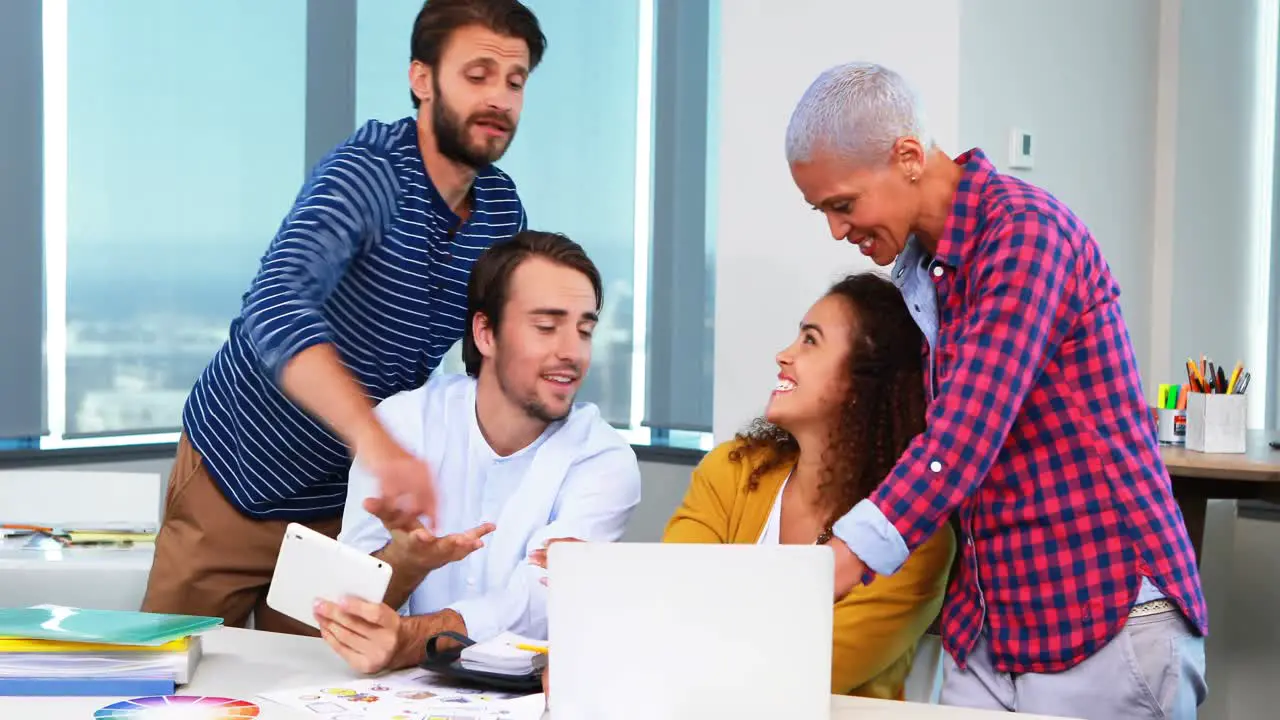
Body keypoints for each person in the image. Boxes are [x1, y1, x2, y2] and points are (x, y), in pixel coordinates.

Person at [784, 62, 1208, 718]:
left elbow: (962, 436)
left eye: (843, 205)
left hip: (1105, 617)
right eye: (823, 212)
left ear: (907, 157)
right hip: (998, 624)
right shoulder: (927, 272)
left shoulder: (1025, 234)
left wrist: (845, 557)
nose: (837, 231)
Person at [141, 0, 546, 635]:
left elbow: (488, 354)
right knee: (166, 680)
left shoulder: (501, 211)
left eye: (515, 80)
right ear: (422, 78)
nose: (499, 96)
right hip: (236, 473)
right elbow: (275, 305)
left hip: (344, 511)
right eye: (478, 74)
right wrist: (382, 446)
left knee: (319, 693)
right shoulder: (367, 174)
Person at [533, 273, 955, 701]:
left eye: (810, 341)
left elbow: (799, 672)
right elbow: (674, 598)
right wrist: (614, 593)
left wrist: (617, 646)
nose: (783, 355)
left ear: (864, 381)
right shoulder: (732, 470)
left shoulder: (912, 540)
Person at [312, 231, 642, 674]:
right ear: (486, 334)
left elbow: (541, 601)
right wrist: (405, 564)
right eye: (546, 327)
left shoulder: (604, 460)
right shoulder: (404, 425)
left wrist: (413, 638)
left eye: (584, 330)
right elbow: (349, 603)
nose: (572, 352)